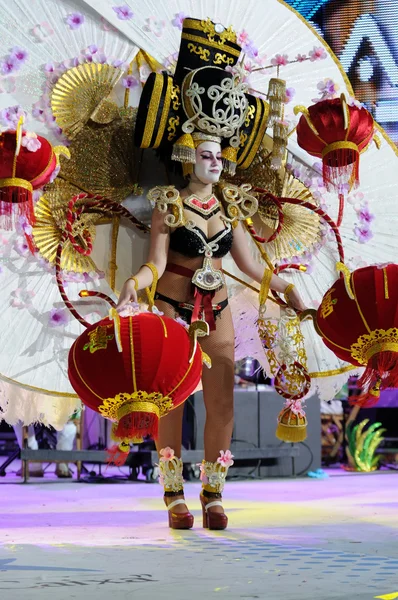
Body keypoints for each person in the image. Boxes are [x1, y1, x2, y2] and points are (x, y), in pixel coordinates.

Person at [116, 17, 306, 531]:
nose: (216, 162)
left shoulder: (233, 206)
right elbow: (156, 261)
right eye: (206, 155)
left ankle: (215, 493)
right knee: (170, 401)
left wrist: (288, 289)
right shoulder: (168, 204)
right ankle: (173, 492)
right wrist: (135, 284)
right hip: (172, 311)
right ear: (187, 155)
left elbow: (250, 265)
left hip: (217, 310)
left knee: (223, 401)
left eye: (220, 155)